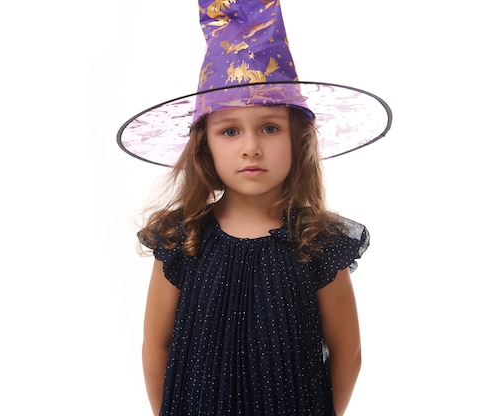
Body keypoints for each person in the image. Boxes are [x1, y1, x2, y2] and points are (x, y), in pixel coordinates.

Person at [117, 1, 392, 415]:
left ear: (298, 138)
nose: (251, 147)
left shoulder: (316, 242)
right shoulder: (181, 239)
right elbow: (156, 344)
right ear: (204, 146)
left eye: (269, 127)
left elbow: (347, 352)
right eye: (229, 131)